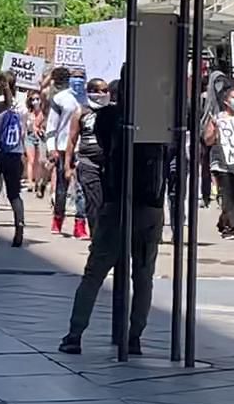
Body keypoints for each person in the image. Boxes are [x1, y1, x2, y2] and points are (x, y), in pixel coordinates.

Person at [60, 77, 166, 356]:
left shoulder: (106, 117)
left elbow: (102, 147)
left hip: (117, 203)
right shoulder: (161, 120)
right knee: (143, 277)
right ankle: (134, 337)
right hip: (151, 206)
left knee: (95, 272)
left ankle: (75, 333)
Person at [203, 85, 234, 238]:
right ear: (226, 101)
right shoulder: (218, 118)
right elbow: (208, 141)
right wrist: (216, 130)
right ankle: (229, 229)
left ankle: (223, 220)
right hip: (222, 166)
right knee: (228, 197)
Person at [69, 78, 112, 238]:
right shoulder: (81, 112)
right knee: (94, 201)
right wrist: (68, 165)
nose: (102, 94)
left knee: (107, 202)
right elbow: (72, 139)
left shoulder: (111, 112)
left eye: (105, 90)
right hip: (88, 163)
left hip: (108, 164)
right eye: (98, 90)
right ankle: (96, 236)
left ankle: (105, 235)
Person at [0, 74, 28, 247]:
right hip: (15, 153)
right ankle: (19, 226)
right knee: (14, 194)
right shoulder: (23, 108)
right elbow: (23, 131)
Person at [45, 68, 84, 235]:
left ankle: (80, 225)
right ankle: (58, 219)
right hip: (62, 148)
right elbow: (52, 126)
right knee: (62, 187)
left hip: (83, 149)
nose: (78, 80)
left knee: (81, 189)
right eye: (75, 77)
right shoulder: (60, 99)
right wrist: (51, 148)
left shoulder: (88, 98)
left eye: (81, 77)